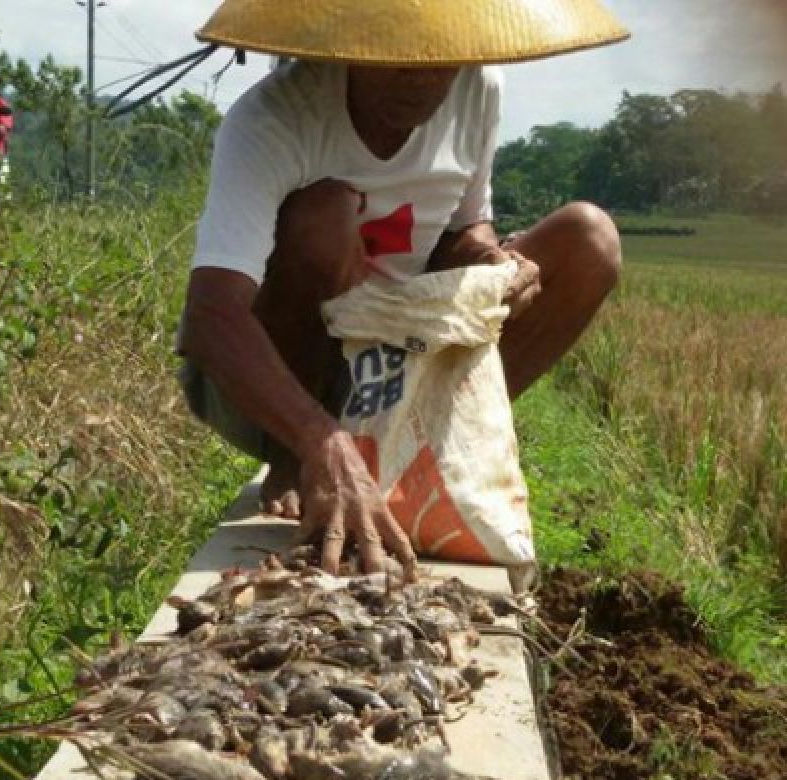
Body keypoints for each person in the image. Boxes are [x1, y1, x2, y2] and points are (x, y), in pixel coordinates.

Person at [177, 0, 630, 580]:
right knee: (327, 214)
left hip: (395, 359)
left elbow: (464, 227)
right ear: (353, 41)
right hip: (284, 372)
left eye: (439, 58)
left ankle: (430, 447)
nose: (420, 77)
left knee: (588, 241)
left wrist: (493, 263)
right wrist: (318, 437)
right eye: (396, 58)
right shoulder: (275, 117)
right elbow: (211, 316)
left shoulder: (477, 87)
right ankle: (297, 456)